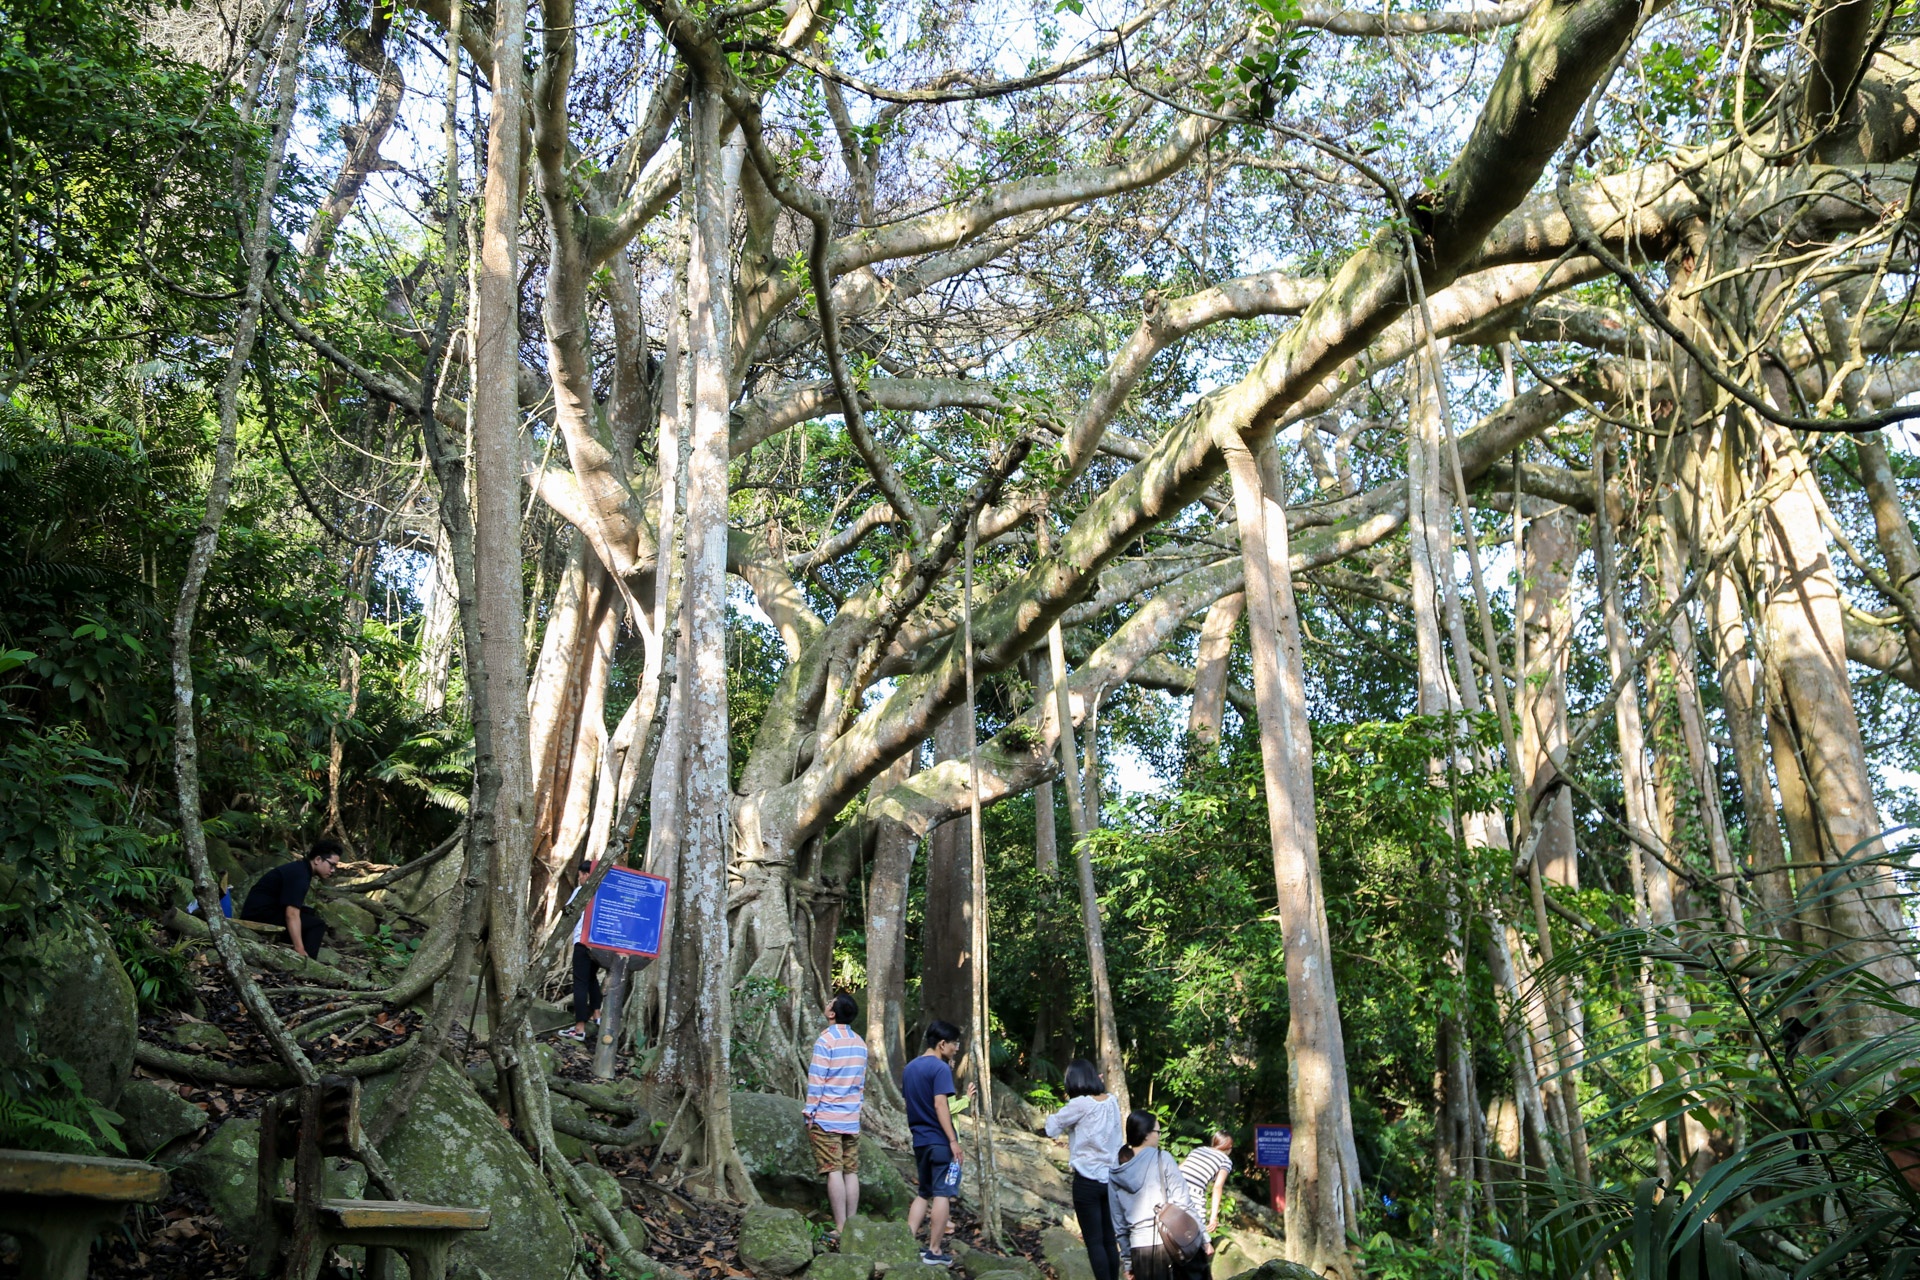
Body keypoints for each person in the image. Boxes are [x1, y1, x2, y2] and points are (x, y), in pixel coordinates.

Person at [1109, 1111, 1212, 1280]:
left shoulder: (1115, 1171)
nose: (1159, 1136)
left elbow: (1119, 1223)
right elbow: (1184, 1203)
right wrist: (1204, 1239)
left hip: (1140, 1251)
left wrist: (1128, 1261)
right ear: (1146, 1134)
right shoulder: (1162, 1158)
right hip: (1171, 1244)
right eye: (1157, 1132)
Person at [1045, 1060, 1125, 1280]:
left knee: (1094, 1241)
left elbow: (1051, 1127)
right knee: (1109, 1239)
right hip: (1111, 1179)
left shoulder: (1080, 1104)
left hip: (1087, 1181)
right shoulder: (1112, 1101)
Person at [903, 1019, 969, 1266]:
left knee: (923, 1192)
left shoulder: (910, 1068)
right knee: (942, 1193)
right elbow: (941, 1105)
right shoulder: (940, 1069)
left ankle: (906, 1242)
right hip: (940, 1141)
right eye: (954, 1044)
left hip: (920, 1140)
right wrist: (953, 1140)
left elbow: (911, 1103)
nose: (956, 1048)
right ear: (942, 1044)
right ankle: (934, 1250)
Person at [804, 993, 869, 1242]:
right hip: (850, 1118)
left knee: (834, 1170)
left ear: (832, 1014)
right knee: (850, 1171)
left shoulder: (826, 1040)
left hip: (827, 1117)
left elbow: (817, 1080)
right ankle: (852, 1225)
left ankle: (841, 1227)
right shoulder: (860, 1043)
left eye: (831, 1002)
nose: (827, 1002)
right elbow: (860, 1083)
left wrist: (810, 1111)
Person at [240, 838, 342, 960]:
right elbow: (291, 914)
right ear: (318, 860)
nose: (333, 870)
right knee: (317, 925)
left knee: (309, 913)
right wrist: (299, 948)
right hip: (258, 915)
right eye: (331, 865)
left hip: (266, 910)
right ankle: (307, 961)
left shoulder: (301, 869)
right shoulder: (300, 875)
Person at [564, 859, 608, 1042]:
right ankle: (597, 1015)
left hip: (582, 943)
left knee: (580, 983)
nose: (580, 879)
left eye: (581, 875)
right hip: (598, 944)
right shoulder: (605, 892)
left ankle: (579, 1027)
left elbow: (568, 911)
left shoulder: (581, 891)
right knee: (591, 979)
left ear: (587, 875)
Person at [1179, 1132, 1234, 1233]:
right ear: (1229, 1147)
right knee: (1198, 1232)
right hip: (1193, 1194)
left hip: (1175, 1186)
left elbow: (1179, 1169)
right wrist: (1213, 1218)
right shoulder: (1225, 1160)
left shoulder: (1199, 1149)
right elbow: (1217, 1187)